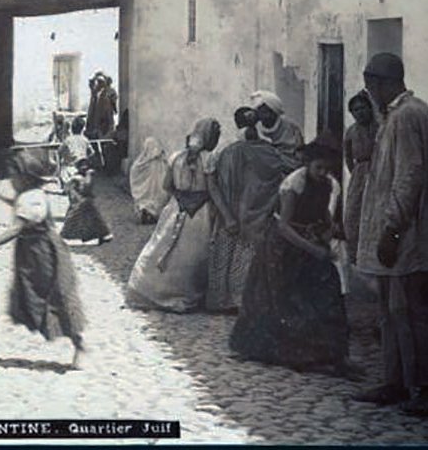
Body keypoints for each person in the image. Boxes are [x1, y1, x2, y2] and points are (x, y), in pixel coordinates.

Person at [229, 137, 358, 378]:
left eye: (327, 168)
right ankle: (295, 354)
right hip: (282, 246)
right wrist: (312, 249)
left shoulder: (328, 184)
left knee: (329, 292)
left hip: (309, 241)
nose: (323, 172)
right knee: (283, 299)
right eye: (318, 167)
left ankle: (334, 354)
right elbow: (284, 226)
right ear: (308, 164)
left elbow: (323, 214)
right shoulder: (294, 184)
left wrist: (330, 230)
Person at [353, 53, 428, 415]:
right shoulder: (393, 117)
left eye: (371, 86)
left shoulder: (409, 115)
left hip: (406, 234)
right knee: (389, 310)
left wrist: (393, 230)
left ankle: (423, 387)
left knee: (411, 311)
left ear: (382, 83)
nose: (370, 93)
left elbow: (409, 175)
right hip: (392, 231)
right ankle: (395, 381)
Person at [0, 151, 86, 368]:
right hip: (33, 253)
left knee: (55, 296)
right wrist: (2, 197)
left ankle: (79, 344)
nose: (11, 180)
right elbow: (19, 204)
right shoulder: (30, 195)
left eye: (14, 176)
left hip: (42, 253)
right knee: (37, 297)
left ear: (24, 177)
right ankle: (73, 341)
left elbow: (17, 227)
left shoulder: (31, 198)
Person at [205, 107, 300, 313]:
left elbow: (212, 184)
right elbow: (287, 169)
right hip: (248, 213)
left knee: (235, 256)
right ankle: (234, 300)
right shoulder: (263, 150)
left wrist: (226, 214)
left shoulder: (226, 150)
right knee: (237, 255)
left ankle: (232, 300)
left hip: (237, 213)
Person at [125, 119, 220, 313]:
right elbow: (212, 189)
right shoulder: (210, 159)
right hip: (201, 212)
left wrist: (181, 196)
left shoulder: (176, 157)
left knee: (165, 249)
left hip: (177, 209)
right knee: (195, 255)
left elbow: (166, 186)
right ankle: (189, 295)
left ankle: (158, 292)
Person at [343, 90, 379, 267]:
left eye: (363, 108)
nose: (360, 112)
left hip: (378, 170)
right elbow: (348, 156)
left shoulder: (379, 127)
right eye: (356, 110)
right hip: (359, 173)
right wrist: (357, 172)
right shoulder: (350, 132)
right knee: (354, 213)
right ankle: (354, 255)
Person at [60, 159, 113, 246]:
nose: (84, 168)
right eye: (82, 166)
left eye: (85, 166)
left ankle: (102, 235)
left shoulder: (85, 176)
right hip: (82, 201)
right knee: (89, 219)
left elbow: (86, 188)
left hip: (85, 201)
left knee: (89, 219)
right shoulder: (77, 178)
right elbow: (71, 189)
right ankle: (102, 235)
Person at [250, 90, 304, 159]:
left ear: (274, 111)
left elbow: (299, 151)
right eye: (259, 110)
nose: (261, 114)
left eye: (265, 111)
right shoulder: (254, 129)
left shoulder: (290, 127)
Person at [130, 137, 171, 225]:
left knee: (147, 201)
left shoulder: (143, 161)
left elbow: (134, 169)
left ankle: (146, 213)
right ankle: (151, 215)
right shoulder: (161, 161)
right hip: (157, 190)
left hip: (148, 191)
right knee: (156, 200)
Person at [58, 115, 91, 184]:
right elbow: (91, 152)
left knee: (63, 169)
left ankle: (64, 183)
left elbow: (60, 151)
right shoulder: (85, 140)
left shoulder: (68, 140)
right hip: (83, 164)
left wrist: (65, 156)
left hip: (72, 165)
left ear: (72, 128)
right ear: (82, 129)